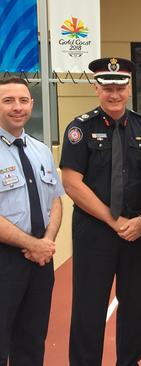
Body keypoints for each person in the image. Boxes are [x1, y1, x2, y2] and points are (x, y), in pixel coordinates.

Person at [60, 57, 141, 366]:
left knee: (135, 305)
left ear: (129, 88)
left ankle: (129, 362)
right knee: (89, 305)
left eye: (120, 87)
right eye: (108, 88)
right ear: (96, 88)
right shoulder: (80, 128)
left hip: (137, 233)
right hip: (95, 232)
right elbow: (72, 183)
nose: (114, 94)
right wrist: (115, 221)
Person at [0, 77, 64, 365]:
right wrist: (32, 244)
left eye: (23, 101)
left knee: (32, 338)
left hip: (40, 260)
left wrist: (47, 242)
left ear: (32, 105)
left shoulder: (40, 150)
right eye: (8, 100)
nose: (17, 107)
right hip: (6, 259)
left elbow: (55, 200)